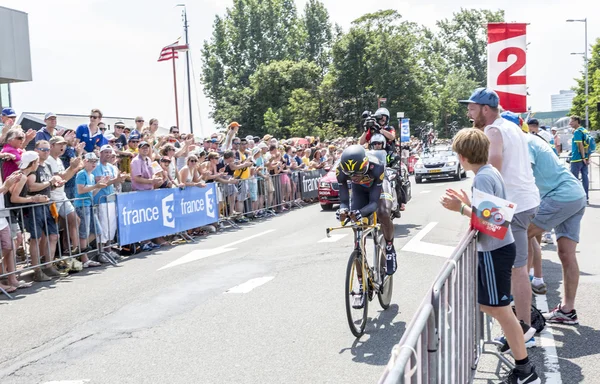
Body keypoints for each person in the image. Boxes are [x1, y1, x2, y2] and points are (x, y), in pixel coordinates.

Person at [439, 128, 540, 384]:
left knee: (503, 313)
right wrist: (470, 204)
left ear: (462, 157)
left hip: (495, 252)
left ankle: (525, 370)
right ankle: (521, 352)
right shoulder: (489, 172)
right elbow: (492, 213)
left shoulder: (482, 178)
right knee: (489, 306)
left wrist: (460, 208)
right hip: (497, 250)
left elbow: (495, 221)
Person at [460, 88, 540, 339]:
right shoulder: (511, 125)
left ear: (486, 109)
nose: (469, 114)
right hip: (526, 201)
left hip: (513, 206)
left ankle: (522, 328)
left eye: (473, 108)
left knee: (517, 270)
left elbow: (492, 166)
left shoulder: (493, 130)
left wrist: (477, 208)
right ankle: (521, 322)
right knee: (520, 266)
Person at [526, 133, 586, 325]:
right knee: (566, 254)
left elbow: (523, 176)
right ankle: (567, 310)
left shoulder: (523, 143)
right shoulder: (534, 140)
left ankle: (521, 312)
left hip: (559, 195)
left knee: (521, 234)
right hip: (574, 194)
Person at [335, 145, 396, 303]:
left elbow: (374, 203)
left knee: (382, 212)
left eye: (358, 173)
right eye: (350, 175)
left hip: (379, 187)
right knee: (357, 228)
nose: (354, 177)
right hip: (359, 190)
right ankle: (361, 284)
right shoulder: (341, 171)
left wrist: (360, 212)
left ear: (365, 165)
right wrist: (343, 211)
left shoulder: (377, 168)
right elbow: (343, 201)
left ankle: (389, 246)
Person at [569, 115, 589, 203]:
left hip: (577, 158)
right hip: (585, 158)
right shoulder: (584, 130)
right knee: (585, 177)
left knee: (574, 179)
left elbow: (580, 144)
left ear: (577, 121)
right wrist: (586, 157)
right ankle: (586, 197)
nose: (570, 123)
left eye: (572, 121)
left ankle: (576, 198)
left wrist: (582, 157)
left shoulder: (577, 132)